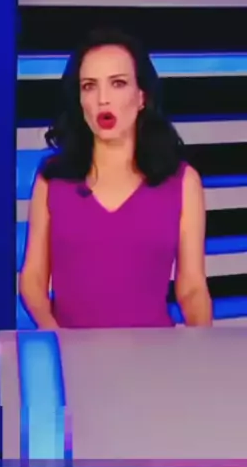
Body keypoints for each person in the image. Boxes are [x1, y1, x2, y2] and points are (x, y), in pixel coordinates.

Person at [19, 28, 212, 329]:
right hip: (73, 353)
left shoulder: (183, 181)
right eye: (89, 86)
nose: (102, 100)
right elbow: (32, 280)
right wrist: (55, 337)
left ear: (141, 96)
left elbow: (192, 289)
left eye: (118, 83)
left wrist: (203, 347)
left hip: (154, 352)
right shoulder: (53, 178)